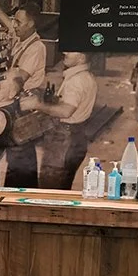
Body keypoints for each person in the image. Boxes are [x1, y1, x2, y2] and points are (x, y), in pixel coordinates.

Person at [21, 52, 98, 189]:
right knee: (62, 185)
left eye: (71, 51)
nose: (65, 52)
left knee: (50, 187)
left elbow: (65, 111)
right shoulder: (86, 76)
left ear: (81, 58)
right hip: (77, 136)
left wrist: (37, 105)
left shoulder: (76, 81)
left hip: (64, 141)